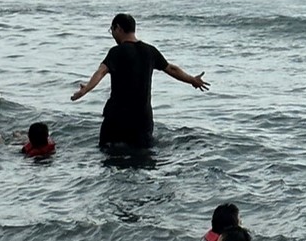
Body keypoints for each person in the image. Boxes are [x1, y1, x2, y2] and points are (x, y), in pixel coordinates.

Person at [70, 13, 210, 149]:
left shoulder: (116, 52)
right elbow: (172, 69)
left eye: (111, 30)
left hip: (118, 118)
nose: (112, 34)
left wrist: (86, 89)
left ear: (118, 28)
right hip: (142, 120)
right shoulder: (150, 51)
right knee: (142, 158)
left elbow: (101, 72)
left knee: (110, 155)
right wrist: (192, 80)